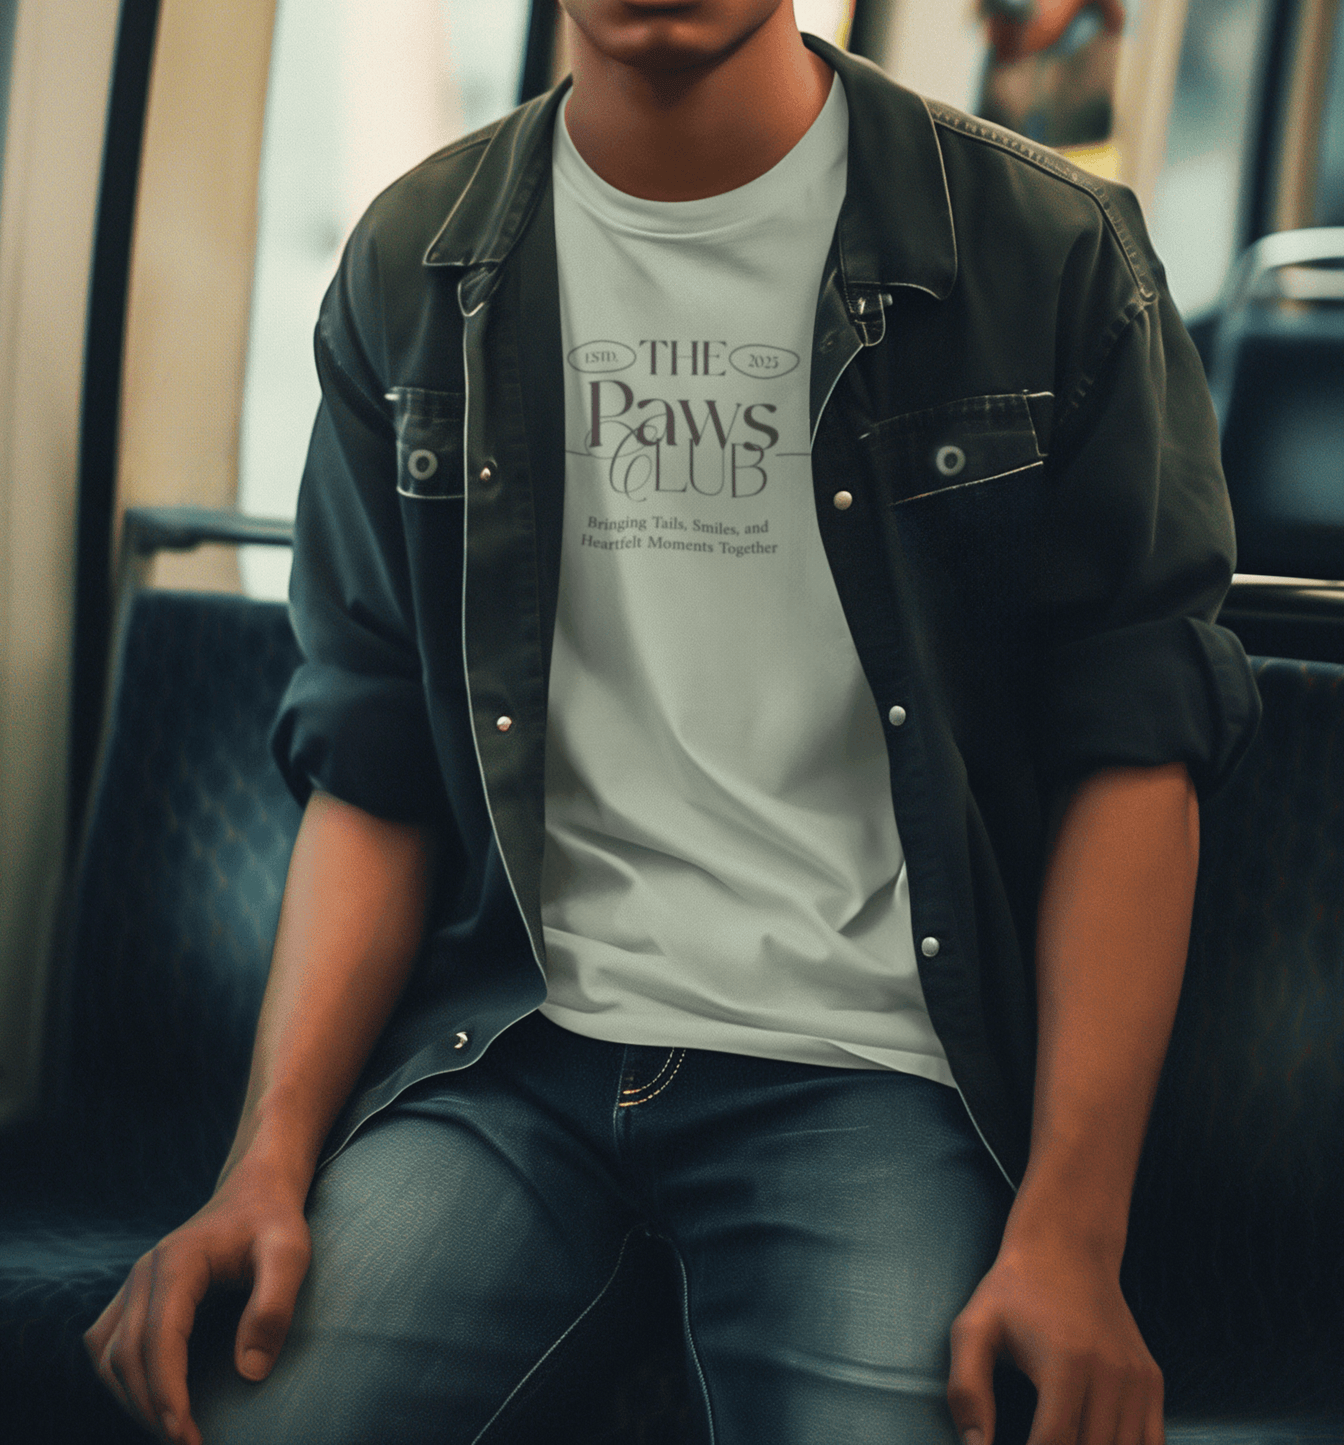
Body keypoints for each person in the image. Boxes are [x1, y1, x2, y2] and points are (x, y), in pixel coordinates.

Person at [84, 3, 1261, 1442]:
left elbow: (1132, 755)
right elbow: (374, 770)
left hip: (877, 1076)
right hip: (511, 1055)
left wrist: (1074, 1232)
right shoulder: (412, 265)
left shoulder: (1048, 251)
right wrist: (261, 1167)